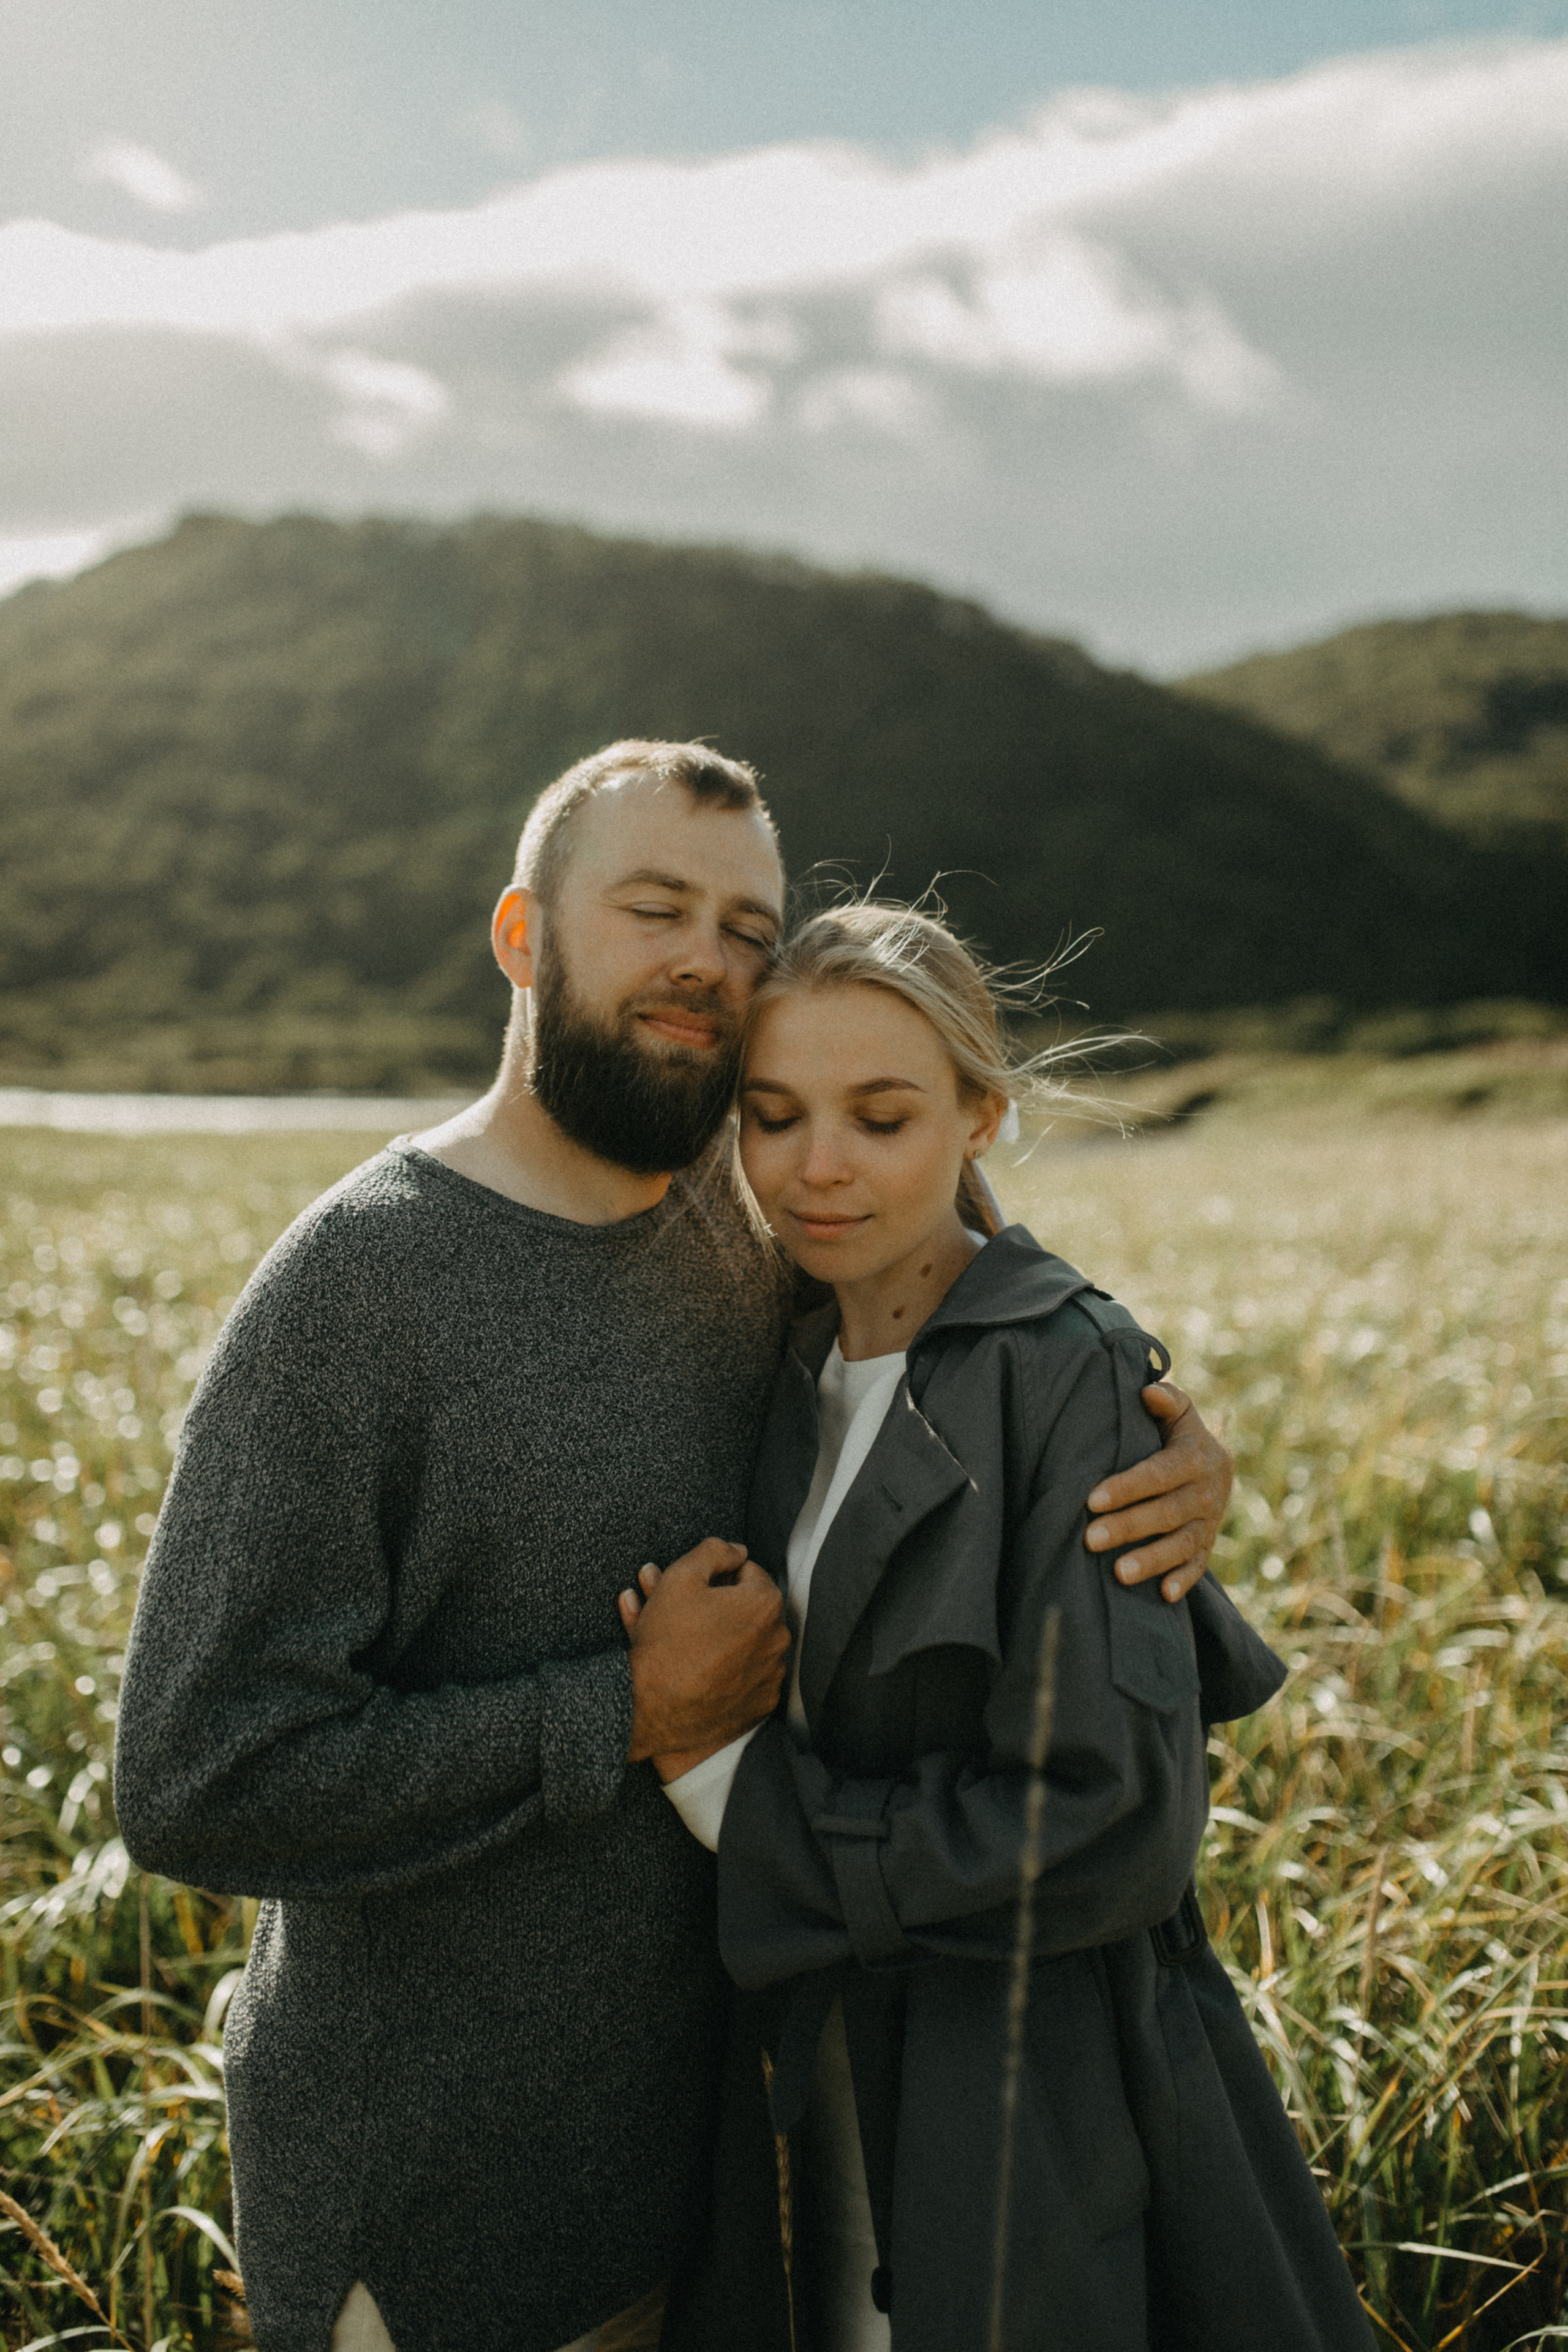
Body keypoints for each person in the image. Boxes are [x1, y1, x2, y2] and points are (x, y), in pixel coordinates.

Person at [114, 744, 1235, 2352]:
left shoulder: (754, 1218)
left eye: (747, 926)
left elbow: (966, 1348)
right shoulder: (355, 1294)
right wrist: (622, 1716)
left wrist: (1151, 1436)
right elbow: (196, 1776)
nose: (708, 961)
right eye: (655, 909)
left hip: (715, 2183)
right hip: (438, 2228)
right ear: (522, 936)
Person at [627, 904, 1373, 2352]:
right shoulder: (780, 1344)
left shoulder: (1067, 1374)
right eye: (771, 1117)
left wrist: (734, 1800)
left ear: (981, 1114)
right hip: (807, 2082)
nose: (816, 1164)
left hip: (1025, 2096)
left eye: (881, 1115)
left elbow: (1110, 1823)